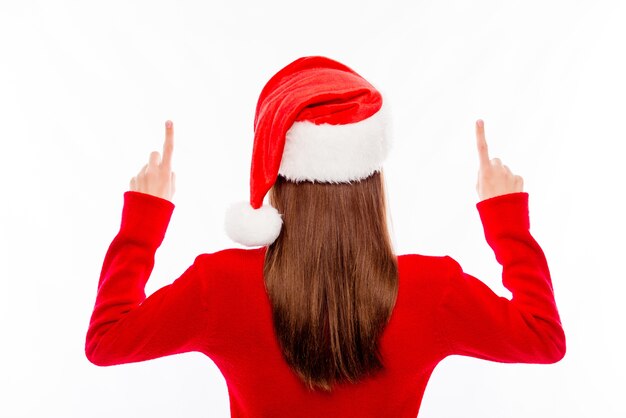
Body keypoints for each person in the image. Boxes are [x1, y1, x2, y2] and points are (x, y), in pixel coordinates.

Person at [85, 56, 566, 417]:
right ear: (372, 182)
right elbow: (543, 339)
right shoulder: (431, 289)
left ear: (275, 179)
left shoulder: (221, 285)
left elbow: (106, 341)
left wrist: (144, 218)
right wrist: (505, 218)